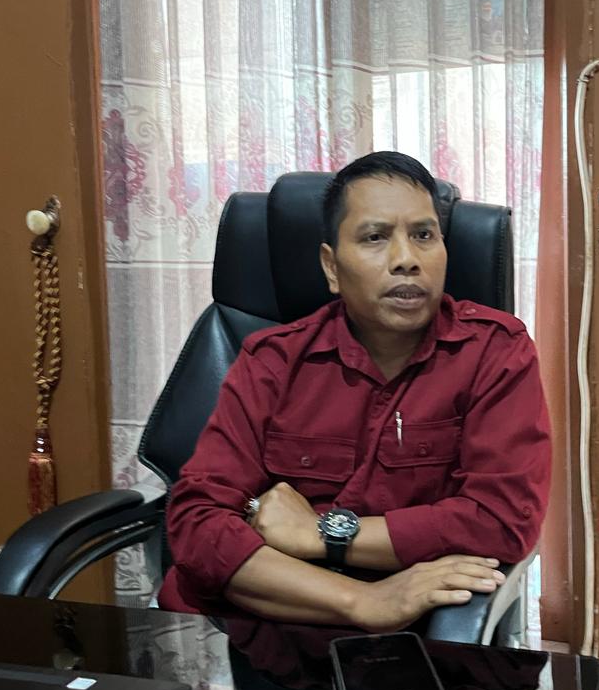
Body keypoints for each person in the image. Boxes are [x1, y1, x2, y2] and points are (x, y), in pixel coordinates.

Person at [158, 151, 551, 632]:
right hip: (241, 626)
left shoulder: (495, 352)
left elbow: (502, 520)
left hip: (409, 638)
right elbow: (196, 524)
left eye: (424, 235)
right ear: (331, 266)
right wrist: (362, 600)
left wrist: (320, 533)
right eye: (375, 237)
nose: (406, 260)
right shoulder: (272, 361)